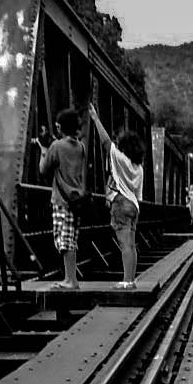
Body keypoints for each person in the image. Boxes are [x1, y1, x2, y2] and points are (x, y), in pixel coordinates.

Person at [90, 101, 143, 289]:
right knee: (131, 244)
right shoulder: (139, 167)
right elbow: (139, 193)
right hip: (134, 206)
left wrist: (96, 119)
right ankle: (132, 279)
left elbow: (106, 142)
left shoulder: (121, 159)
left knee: (124, 244)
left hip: (121, 203)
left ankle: (127, 281)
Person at [36, 107, 86, 289]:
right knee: (71, 237)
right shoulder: (80, 146)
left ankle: (70, 280)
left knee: (64, 240)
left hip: (61, 200)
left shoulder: (56, 147)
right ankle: (70, 278)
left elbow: (43, 169)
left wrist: (43, 150)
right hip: (77, 200)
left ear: (60, 127)